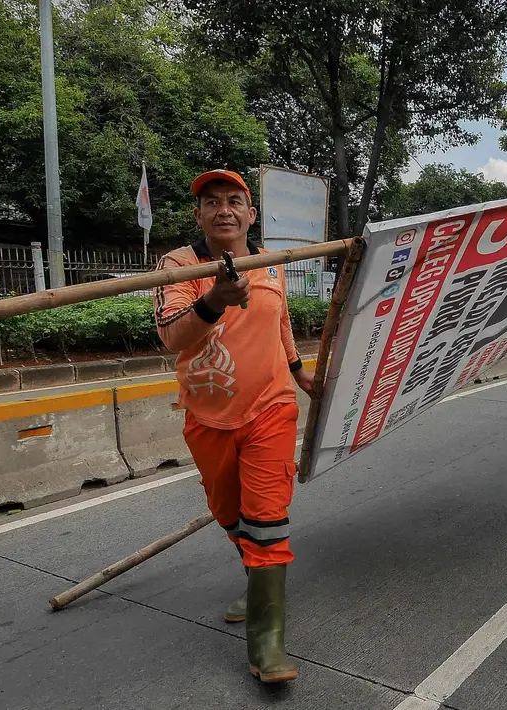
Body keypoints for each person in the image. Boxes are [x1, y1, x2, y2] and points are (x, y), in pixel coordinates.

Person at [154, 169, 317, 684]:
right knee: (229, 513)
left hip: (271, 408)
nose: (224, 210)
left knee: (266, 517)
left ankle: (267, 646)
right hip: (207, 416)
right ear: (199, 215)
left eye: (234, 201)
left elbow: (282, 322)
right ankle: (254, 580)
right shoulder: (178, 265)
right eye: (212, 203)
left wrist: (297, 372)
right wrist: (216, 299)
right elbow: (173, 338)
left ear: (251, 214)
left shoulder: (273, 264)